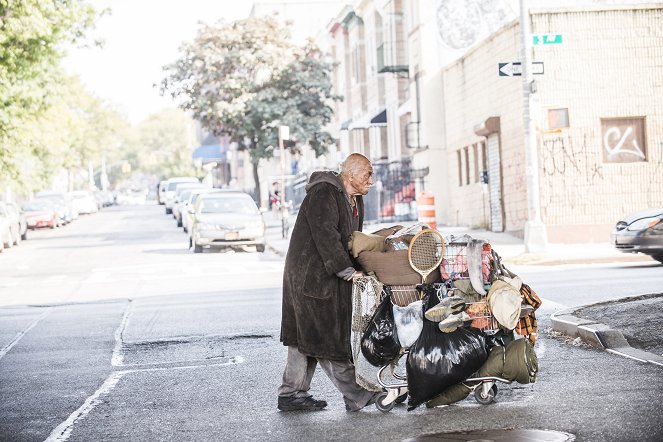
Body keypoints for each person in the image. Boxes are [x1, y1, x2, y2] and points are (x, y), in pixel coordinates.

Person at [278, 153, 377, 412]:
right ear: (351, 173)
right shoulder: (324, 192)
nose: (372, 180)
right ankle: (358, 395)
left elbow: (350, 239)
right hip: (310, 276)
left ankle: (291, 393)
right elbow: (326, 236)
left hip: (322, 274)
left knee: (304, 336)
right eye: (368, 173)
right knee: (325, 337)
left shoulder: (354, 198)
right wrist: (347, 271)